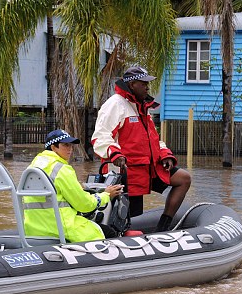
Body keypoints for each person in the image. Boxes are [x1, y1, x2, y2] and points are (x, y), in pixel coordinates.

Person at [91, 66, 191, 232]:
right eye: (143, 83)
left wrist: (165, 155)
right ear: (132, 85)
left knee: (183, 179)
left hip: (149, 167)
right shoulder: (115, 105)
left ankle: (163, 227)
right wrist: (115, 154)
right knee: (132, 216)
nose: (147, 87)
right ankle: (129, 242)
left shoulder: (142, 107)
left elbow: (153, 139)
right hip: (126, 171)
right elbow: (100, 137)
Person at [24, 129, 124, 242]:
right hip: (62, 230)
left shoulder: (33, 167)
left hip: (34, 231)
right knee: (109, 232)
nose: (70, 149)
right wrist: (106, 195)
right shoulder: (62, 169)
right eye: (65, 145)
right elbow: (84, 205)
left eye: (71, 146)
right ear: (53, 147)